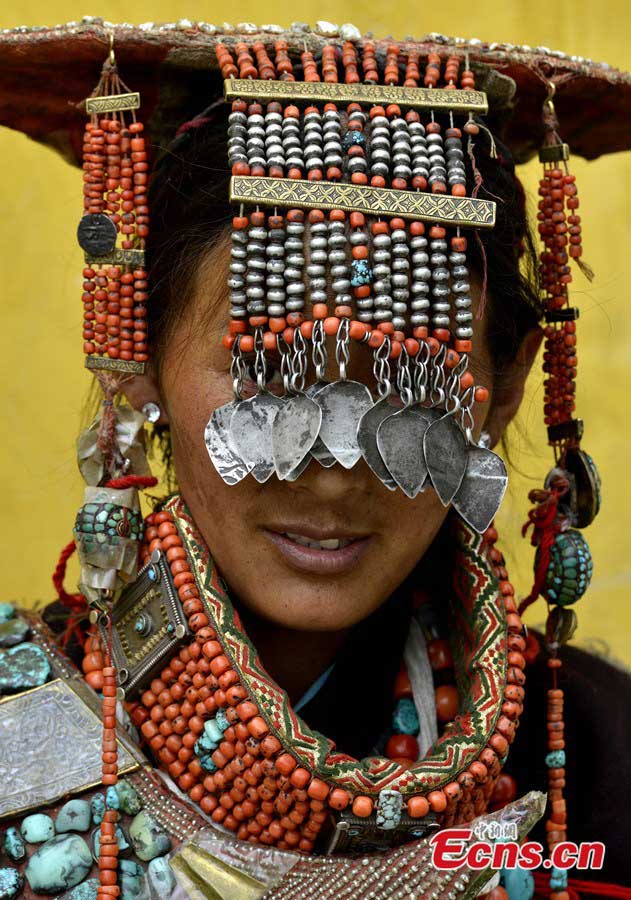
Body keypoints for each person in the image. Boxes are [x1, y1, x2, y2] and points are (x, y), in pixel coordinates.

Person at [0, 20, 630, 900]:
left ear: (512, 381)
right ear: (137, 358)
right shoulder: (16, 737)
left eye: (415, 377)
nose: (335, 465)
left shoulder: (602, 766)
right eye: (265, 371)